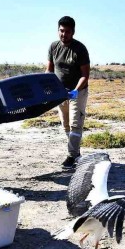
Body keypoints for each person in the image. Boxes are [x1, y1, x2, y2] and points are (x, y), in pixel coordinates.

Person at [46, 16, 91, 169]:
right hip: (60, 93)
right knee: (66, 125)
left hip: (77, 92)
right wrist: (46, 88)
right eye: (61, 31)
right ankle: (76, 153)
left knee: (75, 124)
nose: (64, 34)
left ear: (73, 32)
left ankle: (71, 156)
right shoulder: (53, 47)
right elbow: (49, 70)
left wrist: (76, 91)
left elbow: (85, 75)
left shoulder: (80, 49)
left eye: (67, 32)